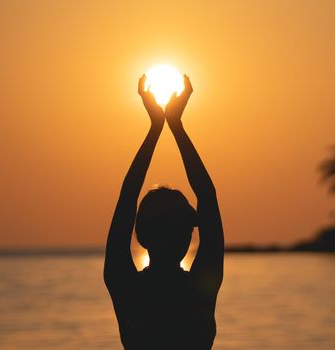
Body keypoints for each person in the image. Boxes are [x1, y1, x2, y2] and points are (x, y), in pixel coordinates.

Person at [104, 74, 224, 350]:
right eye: (184, 225)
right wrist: (176, 127)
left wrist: (157, 128)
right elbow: (207, 195)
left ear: (141, 234)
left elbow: (126, 200)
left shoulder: (127, 288)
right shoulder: (200, 289)